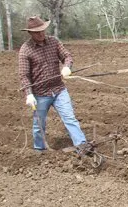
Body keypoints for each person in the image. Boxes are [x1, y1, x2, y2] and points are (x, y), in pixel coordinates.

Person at [17, 16, 90, 154]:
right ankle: (39, 149)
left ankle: (82, 146)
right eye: (37, 32)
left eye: (43, 30)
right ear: (30, 33)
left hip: (58, 90)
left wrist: (67, 67)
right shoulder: (25, 50)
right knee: (39, 125)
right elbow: (24, 75)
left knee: (70, 118)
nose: (41, 34)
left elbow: (67, 56)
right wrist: (29, 94)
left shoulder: (53, 42)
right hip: (39, 94)